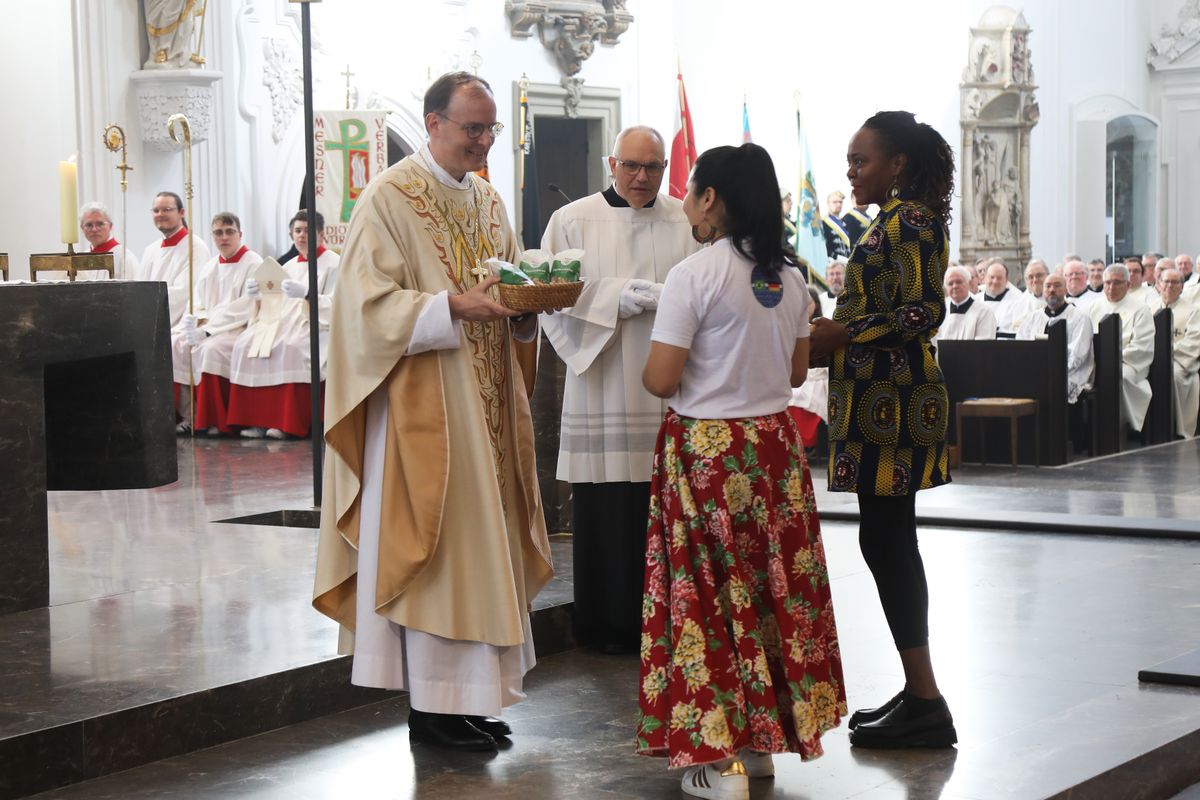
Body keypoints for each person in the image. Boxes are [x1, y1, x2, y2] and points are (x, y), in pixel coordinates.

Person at [312, 71, 552, 753]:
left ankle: (470, 702)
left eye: (490, 129)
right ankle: (432, 709)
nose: (483, 141)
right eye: (472, 128)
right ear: (433, 123)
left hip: (486, 409)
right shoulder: (389, 197)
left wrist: (529, 311)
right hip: (424, 408)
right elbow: (361, 309)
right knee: (441, 552)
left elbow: (509, 287)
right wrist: (450, 306)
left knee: (486, 548)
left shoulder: (487, 199)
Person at [637, 142, 844, 799]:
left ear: (713, 200)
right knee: (768, 593)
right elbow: (791, 372)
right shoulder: (790, 276)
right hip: (774, 451)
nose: (689, 205)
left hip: (707, 451)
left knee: (704, 597)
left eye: (693, 192)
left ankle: (712, 757)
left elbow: (661, 378)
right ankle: (759, 747)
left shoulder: (694, 275)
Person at [809, 110, 957, 750]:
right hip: (881, 398)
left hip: (896, 401)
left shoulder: (912, 221)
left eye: (860, 160)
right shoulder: (894, 220)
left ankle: (926, 700)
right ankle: (918, 691)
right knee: (886, 539)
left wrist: (847, 332)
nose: (851, 171)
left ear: (897, 164)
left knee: (889, 542)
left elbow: (929, 309)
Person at [540, 125, 698, 654]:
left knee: (667, 508)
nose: (641, 177)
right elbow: (546, 292)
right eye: (631, 166)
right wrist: (612, 298)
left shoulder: (685, 218)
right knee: (607, 509)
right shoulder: (573, 219)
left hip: (668, 386)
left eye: (653, 167)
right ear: (612, 164)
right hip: (603, 380)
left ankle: (668, 623)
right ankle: (606, 625)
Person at [224, 210, 339, 439]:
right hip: (283, 320)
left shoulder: (334, 263)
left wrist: (308, 294)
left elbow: (339, 305)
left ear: (320, 234)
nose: (302, 236)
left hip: (316, 324)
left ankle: (288, 424)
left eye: (307, 231)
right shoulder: (289, 266)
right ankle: (258, 421)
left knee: (291, 347)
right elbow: (274, 302)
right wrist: (257, 296)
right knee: (244, 344)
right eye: (297, 231)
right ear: (291, 234)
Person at [174, 213, 262, 436]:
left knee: (210, 350)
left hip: (240, 328)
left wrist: (208, 330)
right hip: (210, 327)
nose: (224, 237)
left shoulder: (253, 263)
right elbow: (199, 301)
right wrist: (195, 320)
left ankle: (215, 420)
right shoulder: (211, 266)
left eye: (229, 232)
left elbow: (245, 306)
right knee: (176, 344)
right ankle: (189, 416)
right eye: (218, 233)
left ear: (240, 234)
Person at [1085, 263, 1154, 432]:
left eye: (1117, 282)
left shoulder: (1140, 309)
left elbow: (1142, 345)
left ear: (1128, 285)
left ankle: (1119, 426)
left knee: (1117, 376)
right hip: (1095, 362)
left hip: (1128, 363)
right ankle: (1087, 425)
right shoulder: (1094, 307)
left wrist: (1113, 359)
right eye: (1107, 283)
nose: (1111, 287)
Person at [136, 191, 212, 329]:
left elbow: (183, 292)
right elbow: (139, 288)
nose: (160, 214)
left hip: (178, 327)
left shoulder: (195, 247)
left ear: (181, 212)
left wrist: (147, 305)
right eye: (156, 210)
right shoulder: (150, 250)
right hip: (149, 319)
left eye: (167, 210)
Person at [1017, 273, 1093, 404]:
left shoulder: (1080, 318)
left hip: (1069, 374)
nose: (1052, 290)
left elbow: (1078, 355)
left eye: (1057, 286)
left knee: (1054, 387)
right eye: (1048, 286)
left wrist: (1051, 371)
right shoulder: (1032, 318)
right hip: (1035, 372)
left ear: (1065, 290)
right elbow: (1020, 347)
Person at [1149, 268, 1200, 437]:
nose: (1169, 286)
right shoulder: (1149, 309)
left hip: (1179, 361)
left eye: (1175, 282)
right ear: (1159, 284)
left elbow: (1193, 341)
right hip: (1150, 358)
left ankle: (1177, 428)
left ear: (1182, 287)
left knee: (1174, 376)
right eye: (1166, 281)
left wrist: (1167, 352)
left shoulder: (1193, 310)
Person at [789, 285, 830, 447]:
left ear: (816, 305)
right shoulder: (792, 324)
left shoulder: (824, 326)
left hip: (817, 374)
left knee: (810, 393)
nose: (805, 306)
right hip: (800, 373)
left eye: (809, 302)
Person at [77, 202, 139, 280]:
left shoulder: (124, 257)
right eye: (89, 225)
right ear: (82, 228)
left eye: (100, 224)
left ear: (110, 226)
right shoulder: (81, 258)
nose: (94, 229)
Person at [936, 265, 996, 341]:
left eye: (959, 282)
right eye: (950, 283)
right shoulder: (940, 310)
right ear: (946, 287)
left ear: (968, 283)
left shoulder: (984, 312)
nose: (955, 286)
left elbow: (983, 346)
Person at [978, 259, 1026, 337]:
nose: (995, 281)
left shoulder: (1018, 300)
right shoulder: (975, 300)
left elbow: (1018, 330)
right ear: (985, 278)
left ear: (1006, 280)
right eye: (992, 277)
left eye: (999, 278)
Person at [822, 190, 851, 260]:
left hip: (847, 262)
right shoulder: (823, 222)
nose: (838, 204)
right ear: (828, 204)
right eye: (834, 202)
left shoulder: (845, 224)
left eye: (840, 202)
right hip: (832, 263)